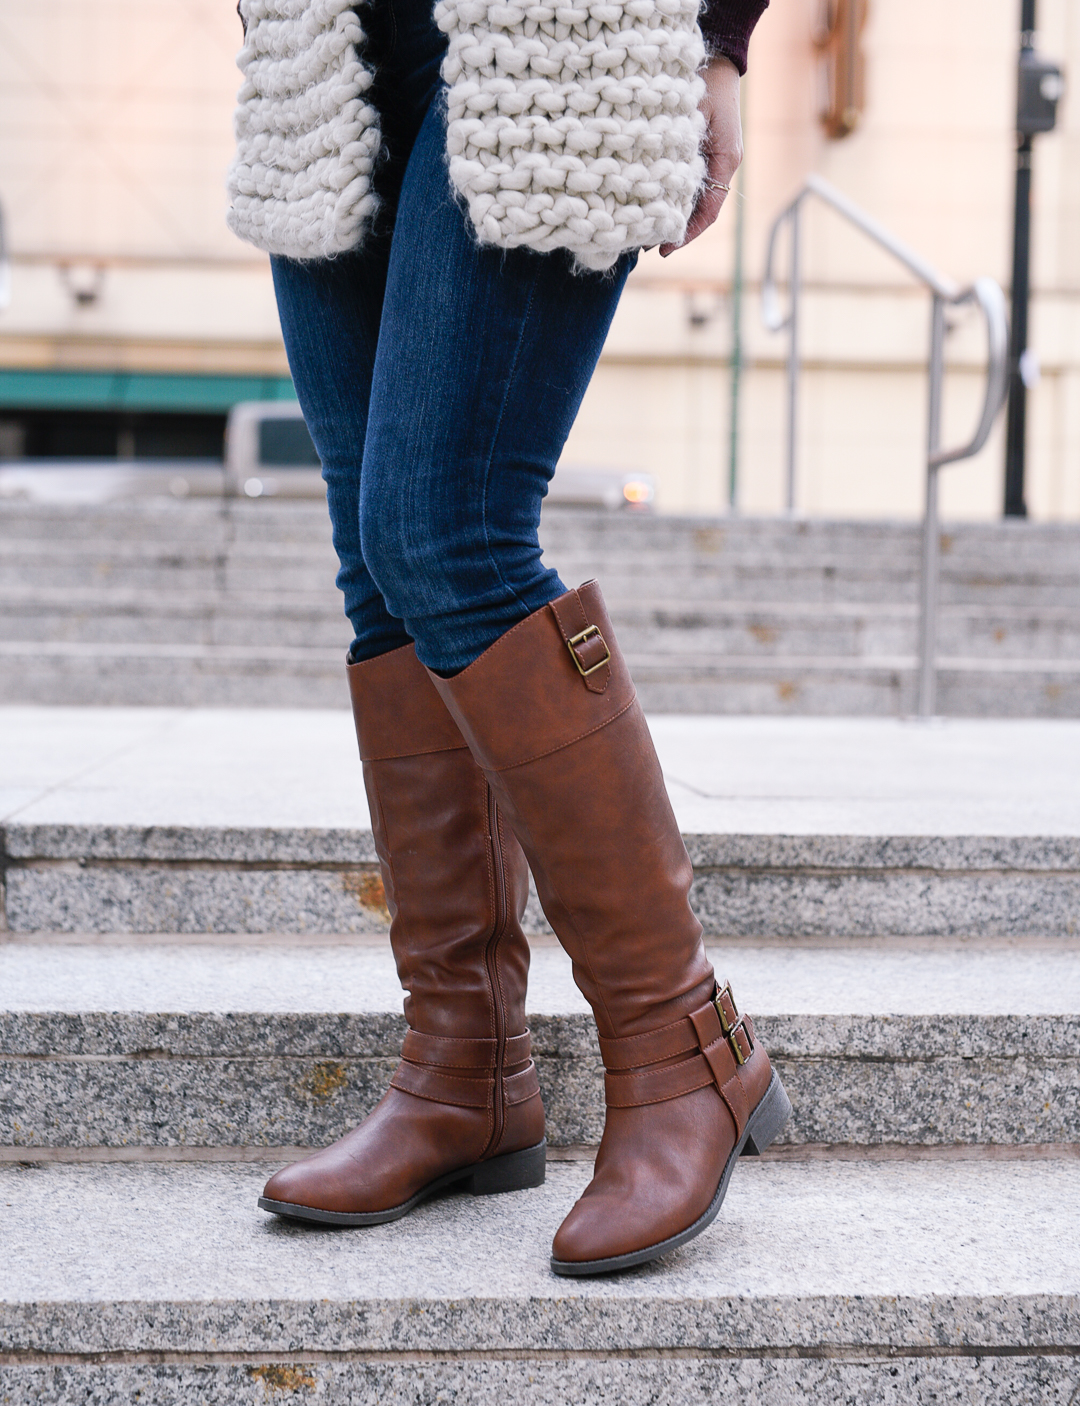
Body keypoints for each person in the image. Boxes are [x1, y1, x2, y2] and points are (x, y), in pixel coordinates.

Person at [229, 0, 789, 1276]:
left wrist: (720, 34)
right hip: (324, 40)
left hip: (564, 29)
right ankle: (465, 1068)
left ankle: (682, 1046)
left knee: (447, 528)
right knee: (382, 560)